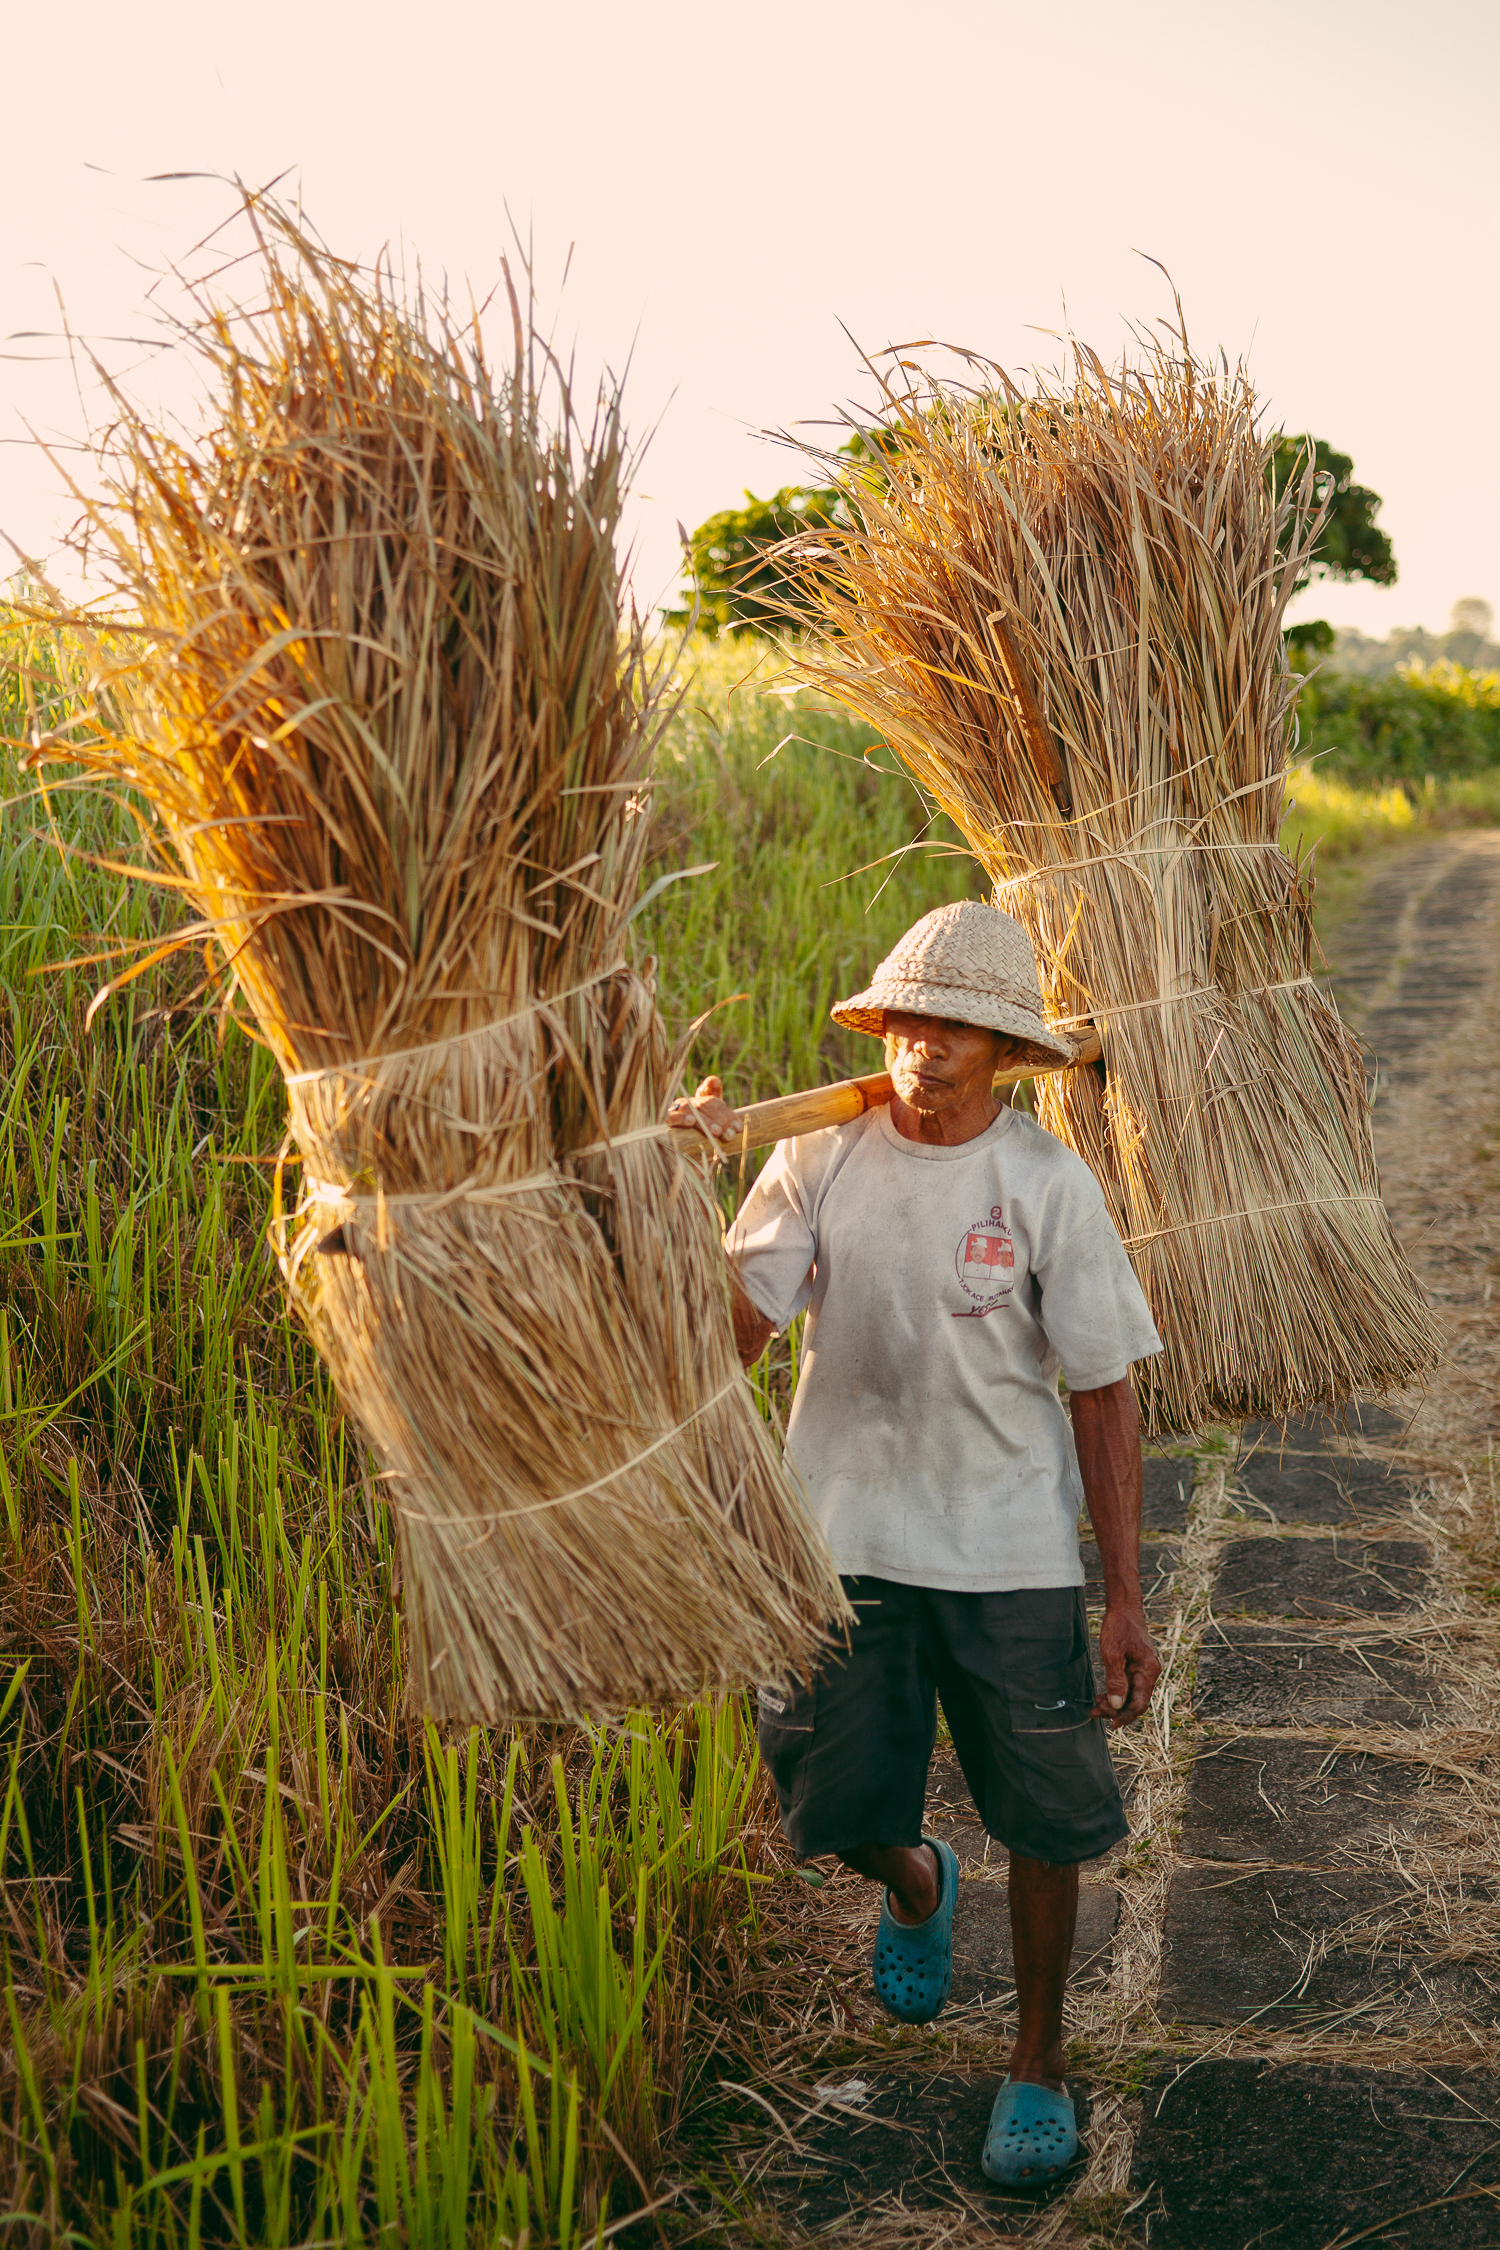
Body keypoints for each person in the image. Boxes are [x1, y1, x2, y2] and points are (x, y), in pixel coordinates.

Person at [668, 899, 1163, 2188]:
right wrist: (675, 1193)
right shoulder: (817, 1164)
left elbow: (1104, 1389)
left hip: (1008, 1549)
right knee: (819, 1790)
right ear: (879, 1028)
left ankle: (1039, 2063)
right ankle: (916, 1880)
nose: (924, 1050)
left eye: (958, 1029)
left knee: (1047, 1819)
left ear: (1003, 1052)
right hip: (839, 1537)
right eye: (907, 1023)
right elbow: (732, 1340)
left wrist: (1122, 1596)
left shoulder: (1046, 1184)